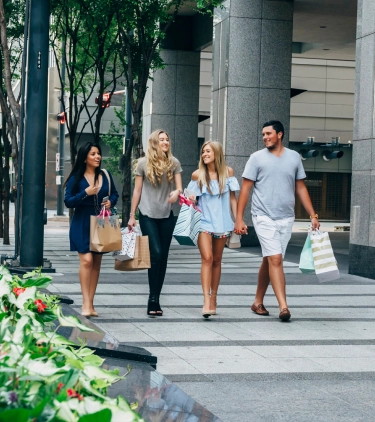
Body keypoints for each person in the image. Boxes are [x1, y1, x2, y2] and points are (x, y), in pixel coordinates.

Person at [234, 120, 320, 321]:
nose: (265, 137)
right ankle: (283, 306)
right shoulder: (256, 158)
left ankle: (257, 302)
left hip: (286, 218)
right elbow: (245, 189)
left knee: (269, 258)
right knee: (276, 259)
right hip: (263, 216)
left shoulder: (294, 158)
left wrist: (313, 215)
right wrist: (239, 219)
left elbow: (300, 187)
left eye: (268, 134)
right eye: (263, 134)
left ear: (279, 134)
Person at [128, 129, 183, 316]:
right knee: (156, 253)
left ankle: (156, 299)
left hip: (166, 216)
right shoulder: (143, 164)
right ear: (154, 142)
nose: (166, 142)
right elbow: (137, 191)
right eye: (162, 140)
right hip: (147, 214)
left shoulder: (174, 163)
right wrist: (131, 215)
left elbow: (179, 187)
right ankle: (152, 297)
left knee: (163, 257)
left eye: (167, 139)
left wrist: (177, 192)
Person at [64, 142, 119, 317]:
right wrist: (85, 193)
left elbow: (115, 193)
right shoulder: (76, 178)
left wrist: (111, 201)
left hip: (101, 223)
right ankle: (85, 303)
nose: (97, 157)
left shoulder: (105, 175)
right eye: (93, 154)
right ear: (85, 157)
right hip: (81, 223)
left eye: (98, 153)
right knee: (86, 261)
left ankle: (91, 304)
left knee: (96, 264)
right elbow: (68, 201)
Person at [187, 141, 239, 318]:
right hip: (204, 222)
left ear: (216, 153)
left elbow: (232, 199)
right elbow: (190, 199)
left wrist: (238, 219)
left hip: (222, 222)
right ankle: (206, 299)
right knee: (207, 258)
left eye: (207, 151)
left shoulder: (228, 173)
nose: (204, 154)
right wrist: (191, 198)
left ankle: (214, 297)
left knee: (217, 260)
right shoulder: (197, 175)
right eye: (203, 152)